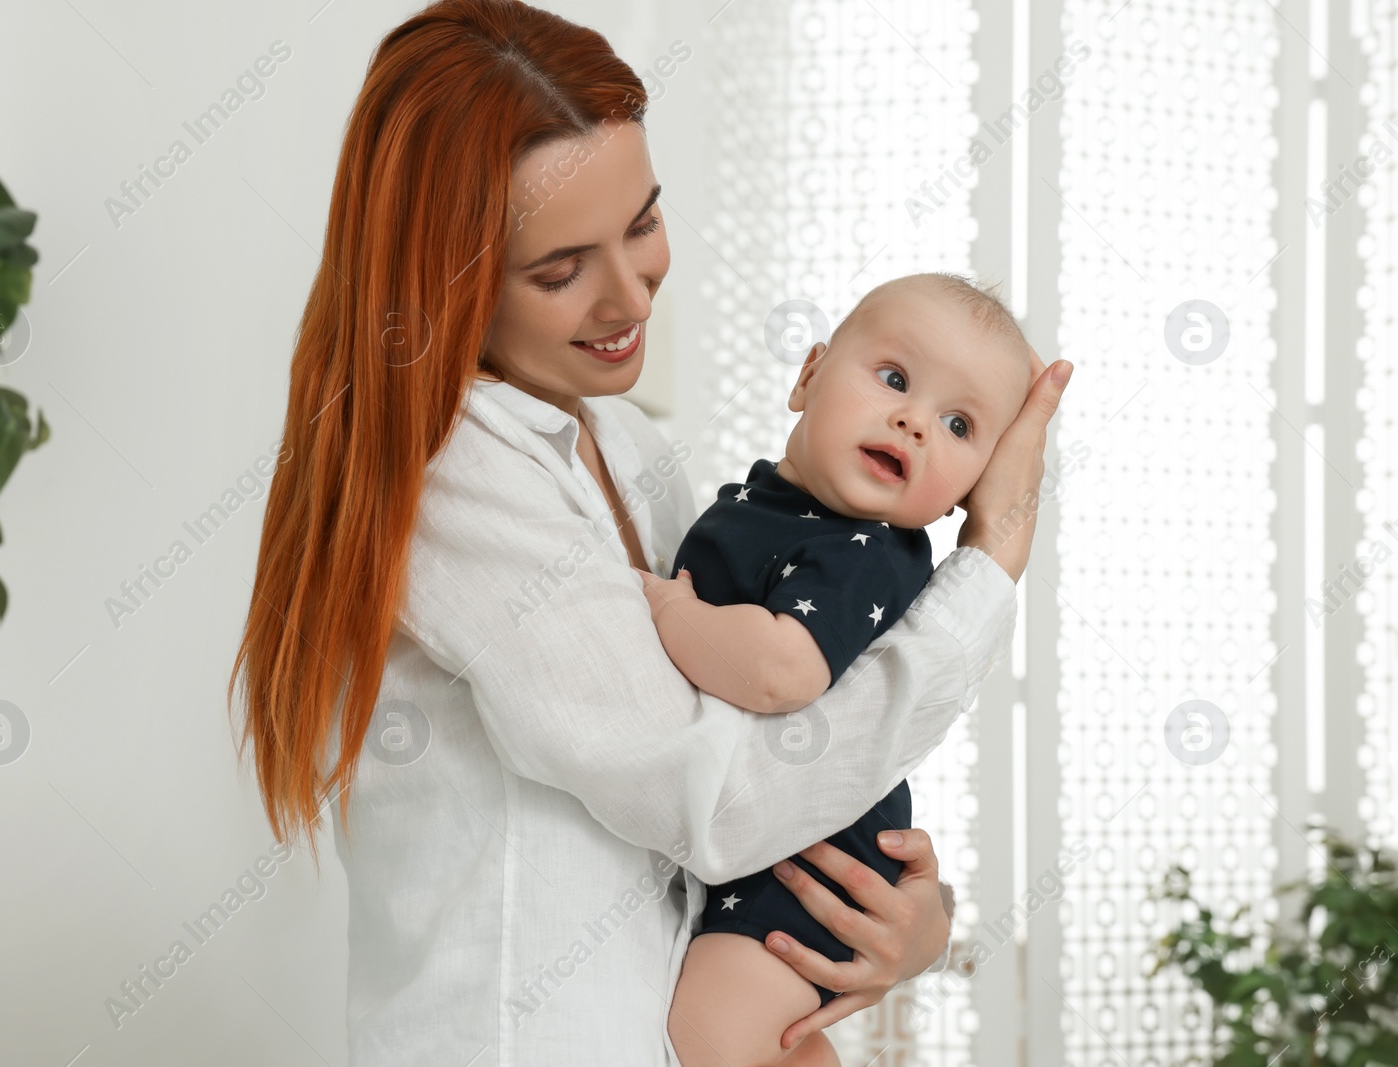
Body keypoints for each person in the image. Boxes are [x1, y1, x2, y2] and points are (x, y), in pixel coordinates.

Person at [227, 2, 1073, 1065]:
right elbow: (716, 800)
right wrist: (988, 563)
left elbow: (762, 747)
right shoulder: (453, 479)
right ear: (444, 280)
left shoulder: (626, 446)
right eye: (558, 269)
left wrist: (909, 915)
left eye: (642, 222)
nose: (629, 293)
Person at [641, 273, 1038, 1067]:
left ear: (968, 490)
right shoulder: (773, 508)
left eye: (958, 425)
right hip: (772, 851)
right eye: (894, 378)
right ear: (807, 374)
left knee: (714, 1036)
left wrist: (669, 612)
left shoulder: (864, 552)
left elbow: (782, 671)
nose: (913, 420)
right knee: (764, 1042)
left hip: (814, 863)